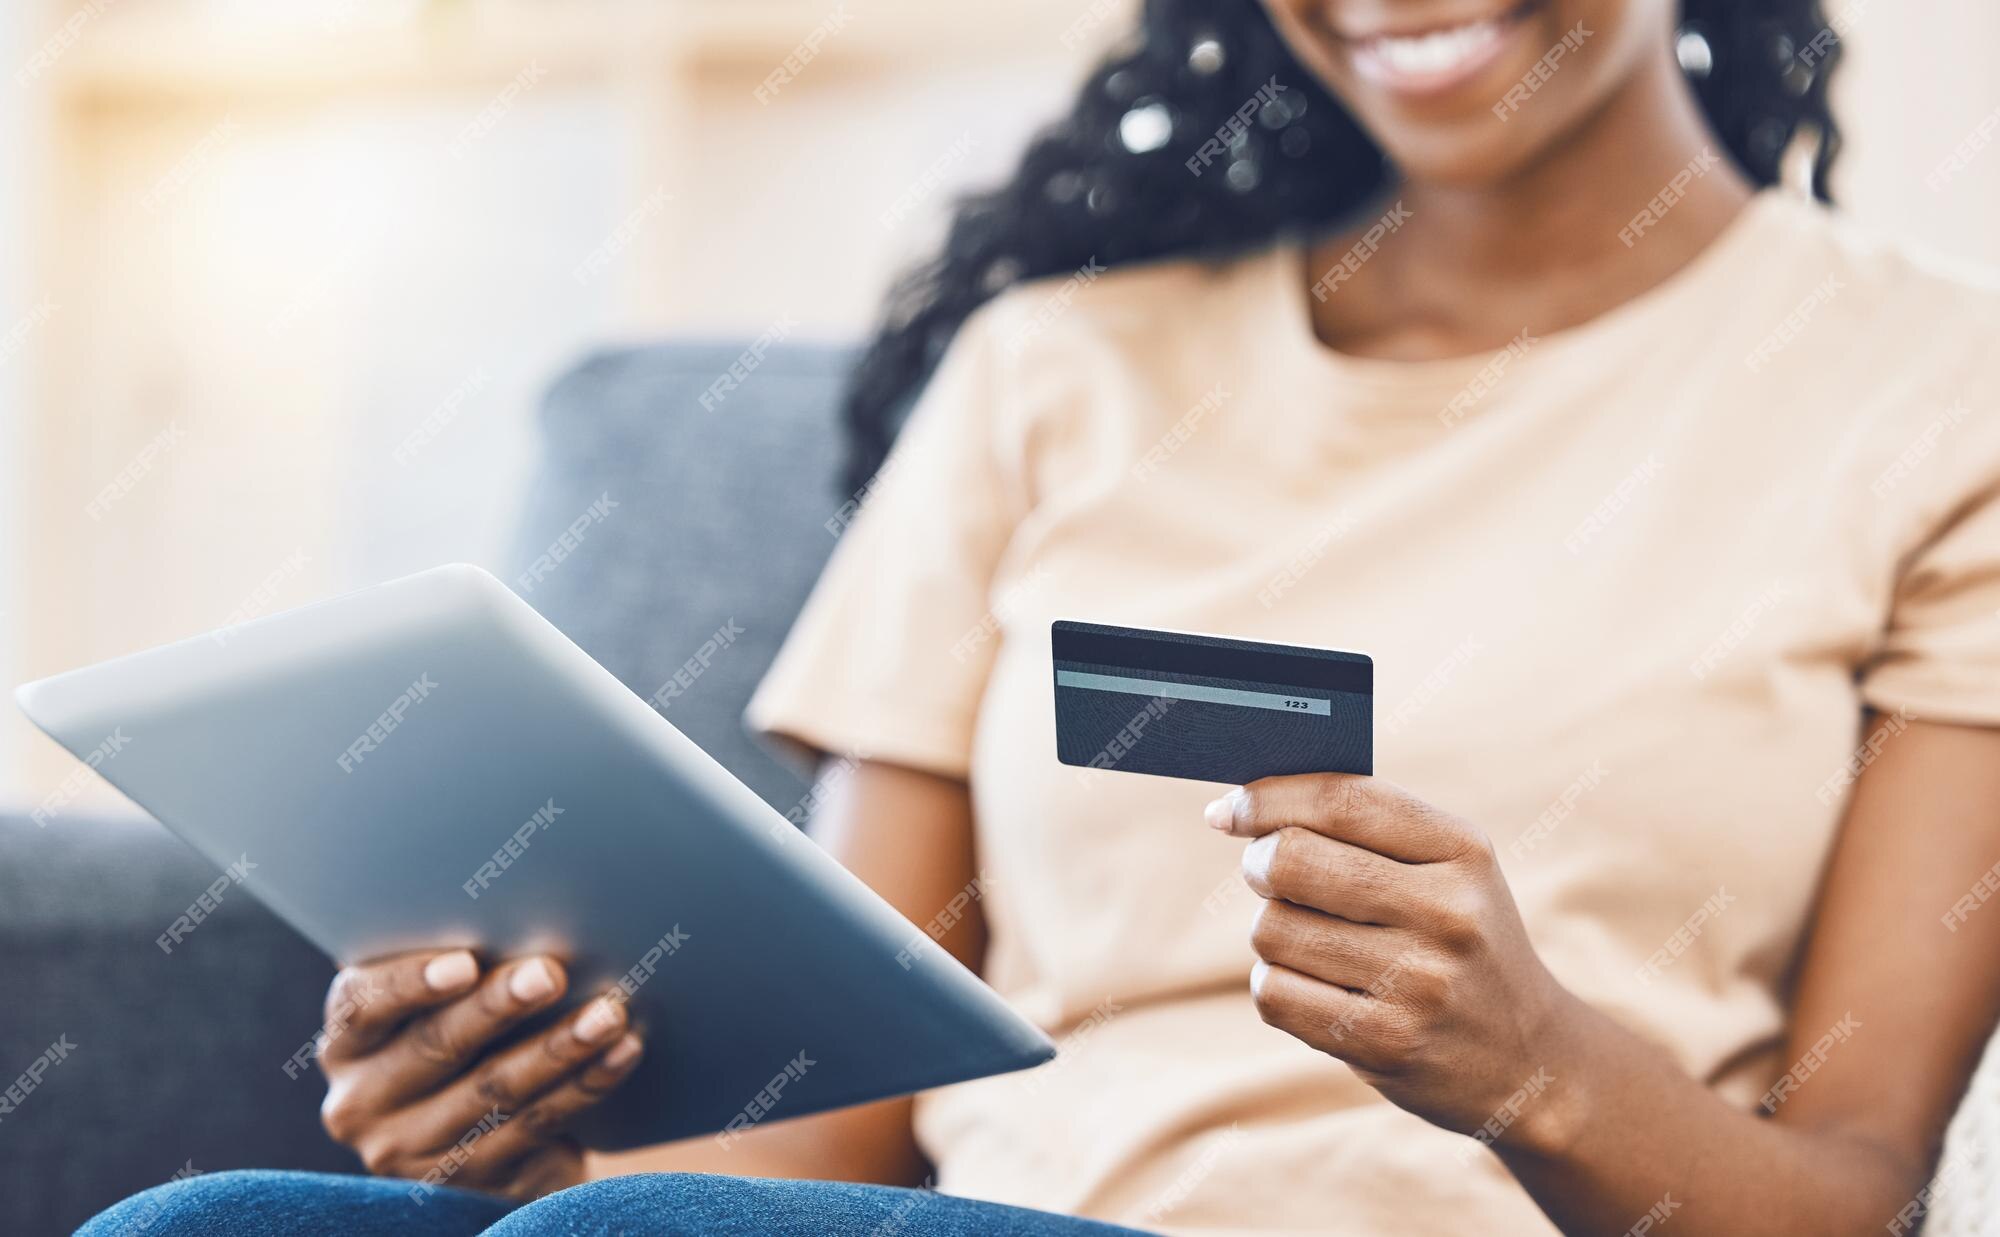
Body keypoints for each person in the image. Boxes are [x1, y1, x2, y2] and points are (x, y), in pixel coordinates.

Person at [84, 0, 2000, 1233]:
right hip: (996, 1225)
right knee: (206, 1230)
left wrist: (1536, 1065)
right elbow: (822, 1154)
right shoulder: (1051, 371)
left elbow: (1851, 1193)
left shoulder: (1938, 399)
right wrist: (540, 1134)